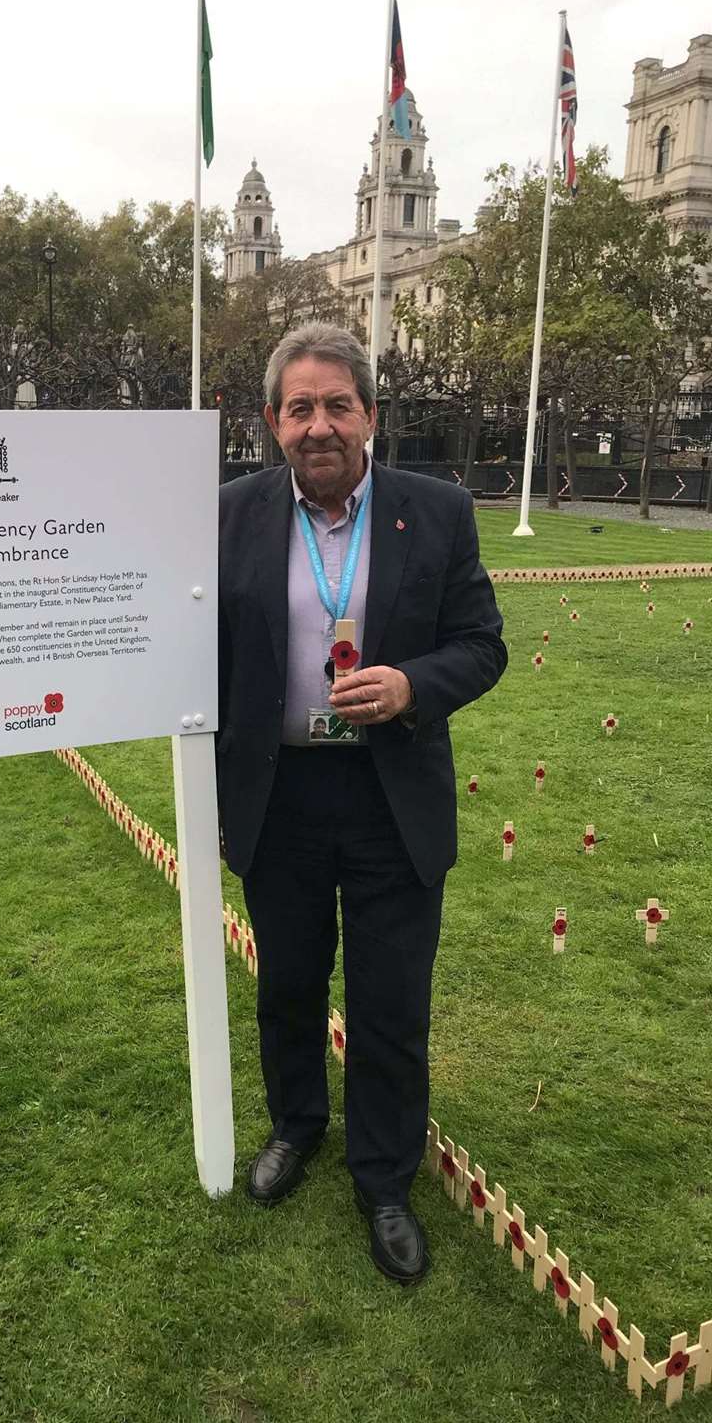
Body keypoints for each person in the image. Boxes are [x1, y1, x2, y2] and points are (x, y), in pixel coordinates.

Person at [216, 322, 507, 1285]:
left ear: (370, 416)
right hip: (281, 793)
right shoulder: (231, 515)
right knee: (289, 985)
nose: (320, 425)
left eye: (338, 404)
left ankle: (383, 1177)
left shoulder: (438, 511)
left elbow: (481, 643)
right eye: (300, 407)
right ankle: (297, 1127)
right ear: (272, 422)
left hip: (391, 797)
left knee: (390, 1002)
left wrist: (414, 687)